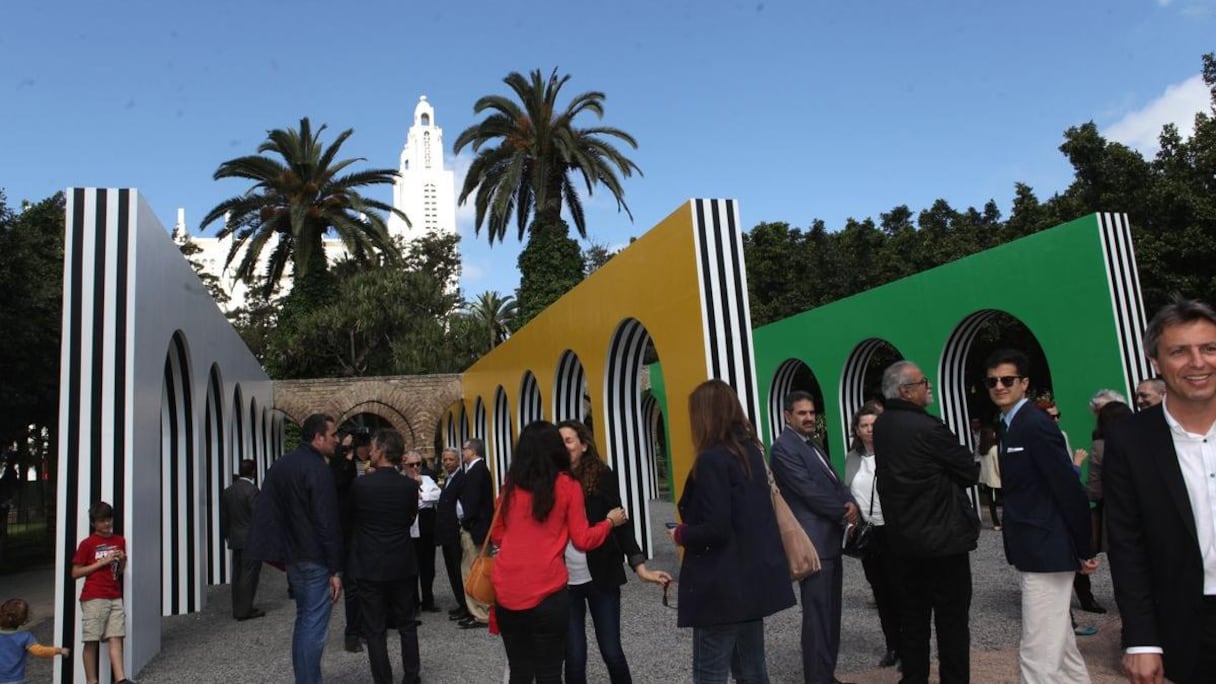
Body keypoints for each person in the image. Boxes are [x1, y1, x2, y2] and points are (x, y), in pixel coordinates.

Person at [1105, 297, 1216, 684]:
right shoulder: (1130, 439)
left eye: (1209, 348)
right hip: (1188, 619)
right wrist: (1141, 640)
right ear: (1156, 361)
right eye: (1180, 352)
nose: (1198, 362)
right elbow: (1125, 542)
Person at [671, 379, 796, 684]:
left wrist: (681, 534)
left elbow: (717, 527)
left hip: (720, 585)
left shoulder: (713, 459)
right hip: (752, 582)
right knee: (752, 671)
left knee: (710, 673)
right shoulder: (750, 452)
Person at [984, 349, 1096, 683]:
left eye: (1007, 379)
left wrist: (1085, 548)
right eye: (992, 381)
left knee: (1037, 654)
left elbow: (1068, 489)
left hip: (1047, 549)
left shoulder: (1035, 424)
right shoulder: (1008, 425)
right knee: (1060, 648)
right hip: (1036, 548)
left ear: (1024, 383)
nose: (999, 386)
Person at [491, 420, 626, 683]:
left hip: (507, 591)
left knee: (520, 670)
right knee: (549, 673)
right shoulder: (566, 485)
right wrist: (609, 522)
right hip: (548, 592)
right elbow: (583, 540)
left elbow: (497, 533)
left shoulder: (510, 486)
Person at [872, 361, 979, 684]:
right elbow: (969, 471)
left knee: (914, 623)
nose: (928, 387)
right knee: (952, 627)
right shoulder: (929, 429)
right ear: (906, 391)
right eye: (923, 382)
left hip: (904, 543)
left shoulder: (882, 425)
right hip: (944, 543)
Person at [557, 419, 672, 684]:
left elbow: (620, 522)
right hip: (564, 581)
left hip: (602, 575)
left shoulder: (601, 475)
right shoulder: (551, 480)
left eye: (569, 440)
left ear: (584, 445)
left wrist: (640, 566)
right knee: (574, 656)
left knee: (611, 651)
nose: (563, 447)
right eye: (559, 442)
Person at [246, 413, 344, 684]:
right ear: (318, 437)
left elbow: (268, 512)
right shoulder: (318, 469)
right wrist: (335, 568)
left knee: (304, 622)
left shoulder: (281, 465)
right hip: (315, 558)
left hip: (294, 558)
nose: (337, 440)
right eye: (333, 435)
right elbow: (327, 520)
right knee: (313, 627)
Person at [770, 390, 857, 684]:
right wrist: (842, 511)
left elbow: (834, 480)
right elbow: (807, 491)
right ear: (787, 416)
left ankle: (826, 674)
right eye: (801, 413)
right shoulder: (783, 448)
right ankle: (818, 678)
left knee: (831, 614)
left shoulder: (812, 444)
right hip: (814, 543)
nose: (809, 418)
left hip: (829, 540)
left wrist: (849, 501)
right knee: (818, 616)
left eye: (811, 412)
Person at [348, 429, 421, 684]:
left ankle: (383, 679)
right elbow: (411, 517)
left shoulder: (361, 485)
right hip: (401, 559)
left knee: (375, 628)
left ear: (379, 451)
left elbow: (353, 518)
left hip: (370, 562)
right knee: (407, 623)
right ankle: (412, 676)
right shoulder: (409, 486)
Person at [843, 404, 901, 670]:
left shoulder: (895, 453)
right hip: (870, 532)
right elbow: (848, 492)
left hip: (896, 530)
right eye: (864, 425)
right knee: (881, 592)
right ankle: (893, 646)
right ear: (857, 429)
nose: (869, 430)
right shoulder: (853, 458)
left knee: (904, 591)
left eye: (873, 425)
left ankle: (912, 647)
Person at [70, 501, 133, 684]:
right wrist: (102, 562)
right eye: (102, 520)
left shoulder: (119, 540)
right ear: (93, 523)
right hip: (94, 596)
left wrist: (122, 560)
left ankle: (120, 679)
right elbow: (75, 572)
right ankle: (92, 680)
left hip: (114, 594)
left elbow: (119, 571)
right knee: (91, 640)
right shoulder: (87, 544)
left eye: (109, 519)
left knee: (116, 637)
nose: (107, 524)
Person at [220, 459, 264, 621]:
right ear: (253, 471)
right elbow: (258, 516)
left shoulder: (228, 491)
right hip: (250, 539)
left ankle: (237, 607)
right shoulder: (252, 491)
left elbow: (225, 517)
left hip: (235, 537)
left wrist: (227, 535)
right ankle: (245, 610)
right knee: (249, 575)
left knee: (238, 574)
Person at [458, 438, 494, 628]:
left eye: (464, 449)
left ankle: (479, 612)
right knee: (476, 569)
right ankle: (478, 610)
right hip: (480, 528)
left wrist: (464, 522)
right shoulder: (480, 470)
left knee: (472, 571)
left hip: (475, 530)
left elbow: (471, 504)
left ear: (472, 451)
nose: (462, 453)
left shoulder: (475, 472)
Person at [402, 450, 441, 613]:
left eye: (418, 464)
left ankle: (428, 599)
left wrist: (422, 496)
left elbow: (436, 495)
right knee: (412, 567)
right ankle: (413, 601)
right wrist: (421, 495)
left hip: (427, 525)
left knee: (428, 565)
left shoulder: (428, 479)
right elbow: (409, 503)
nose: (416, 467)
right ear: (405, 465)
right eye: (412, 465)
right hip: (409, 528)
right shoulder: (401, 480)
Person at [0, 598, 70, 683]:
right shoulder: (25, 636)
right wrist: (59, 650)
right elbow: (39, 651)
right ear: (24, 620)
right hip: (15, 680)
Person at [434, 447, 468, 621]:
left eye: (450, 460)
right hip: (447, 532)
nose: (447, 462)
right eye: (445, 460)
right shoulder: (449, 479)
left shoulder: (461, 479)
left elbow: (461, 507)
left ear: (457, 461)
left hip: (455, 531)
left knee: (458, 568)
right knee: (451, 569)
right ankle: (461, 602)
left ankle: (465, 604)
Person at [976, 426, 1002, 529]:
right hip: (996, 480)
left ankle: (996, 524)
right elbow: (998, 466)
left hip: (986, 479)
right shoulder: (994, 449)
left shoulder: (982, 449)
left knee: (991, 503)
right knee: (1003, 501)